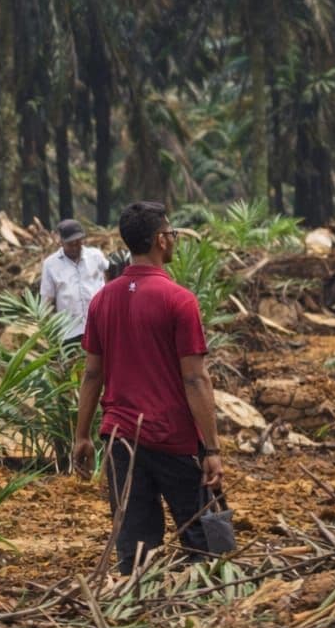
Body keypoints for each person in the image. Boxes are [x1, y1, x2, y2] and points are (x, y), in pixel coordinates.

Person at [72, 201, 225, 575]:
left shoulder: (102, 300)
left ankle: (137, 622)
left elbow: (93, 375)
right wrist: (212, 448)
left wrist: (82, 436)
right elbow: (195, 378)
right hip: (174, 439)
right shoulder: (179, 300)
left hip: (121, 441)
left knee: (136, 554)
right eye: (172, 234)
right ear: (160, 240)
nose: (173, 240)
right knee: (212, 545)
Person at [40, 218, 109, 342]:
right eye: (70, 244)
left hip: (99, 327)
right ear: (60, 242)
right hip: (70, 332)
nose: (75, 247)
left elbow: (109, 277)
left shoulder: (95, 256)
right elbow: (46, 299)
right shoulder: (50, 264)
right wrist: (46, 329)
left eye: (78, 243)